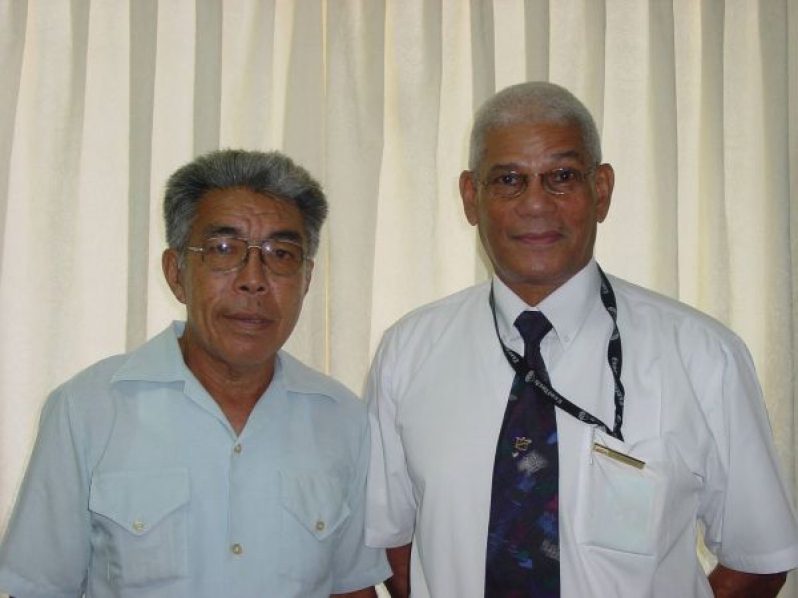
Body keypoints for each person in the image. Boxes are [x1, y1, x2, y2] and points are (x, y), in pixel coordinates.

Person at [364, 82, 798, 597]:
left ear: (603, 190)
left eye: (562, 177)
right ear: (470, 197)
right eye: (508, 180)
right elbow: (386, 539)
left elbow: (759, 558)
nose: (535, 204)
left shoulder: (704, 356)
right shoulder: (409, 354)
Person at [0, 149, 390, 597]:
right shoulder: (87, 409)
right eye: (224, 250)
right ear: (176, 273)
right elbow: (40, 589)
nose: (253, 280)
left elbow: (351, 588)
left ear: (306, 279)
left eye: (281, 254)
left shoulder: (343, 418)